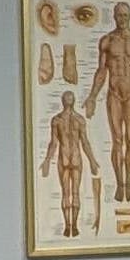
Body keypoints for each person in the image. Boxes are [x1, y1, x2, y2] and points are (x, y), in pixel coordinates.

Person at [83, 1, 130, 212]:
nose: (122, 19)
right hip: (114, 94)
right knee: (117, 139)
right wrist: (91, 97)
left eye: (125, 15)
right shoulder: (107, 41)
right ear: (114, 17)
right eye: (119, 15)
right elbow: (101, 72)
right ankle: (119, 184)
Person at [39, 90, 93, 240]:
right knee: (72, 193)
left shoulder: (58, 120)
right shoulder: (75, 119)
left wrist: (93, 161)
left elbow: (83, 143)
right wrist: (47, 160)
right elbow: (54, 143)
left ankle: (71, 225)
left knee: (69, 193)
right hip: (73, 157)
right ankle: (71, 225)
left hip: (65, 157)